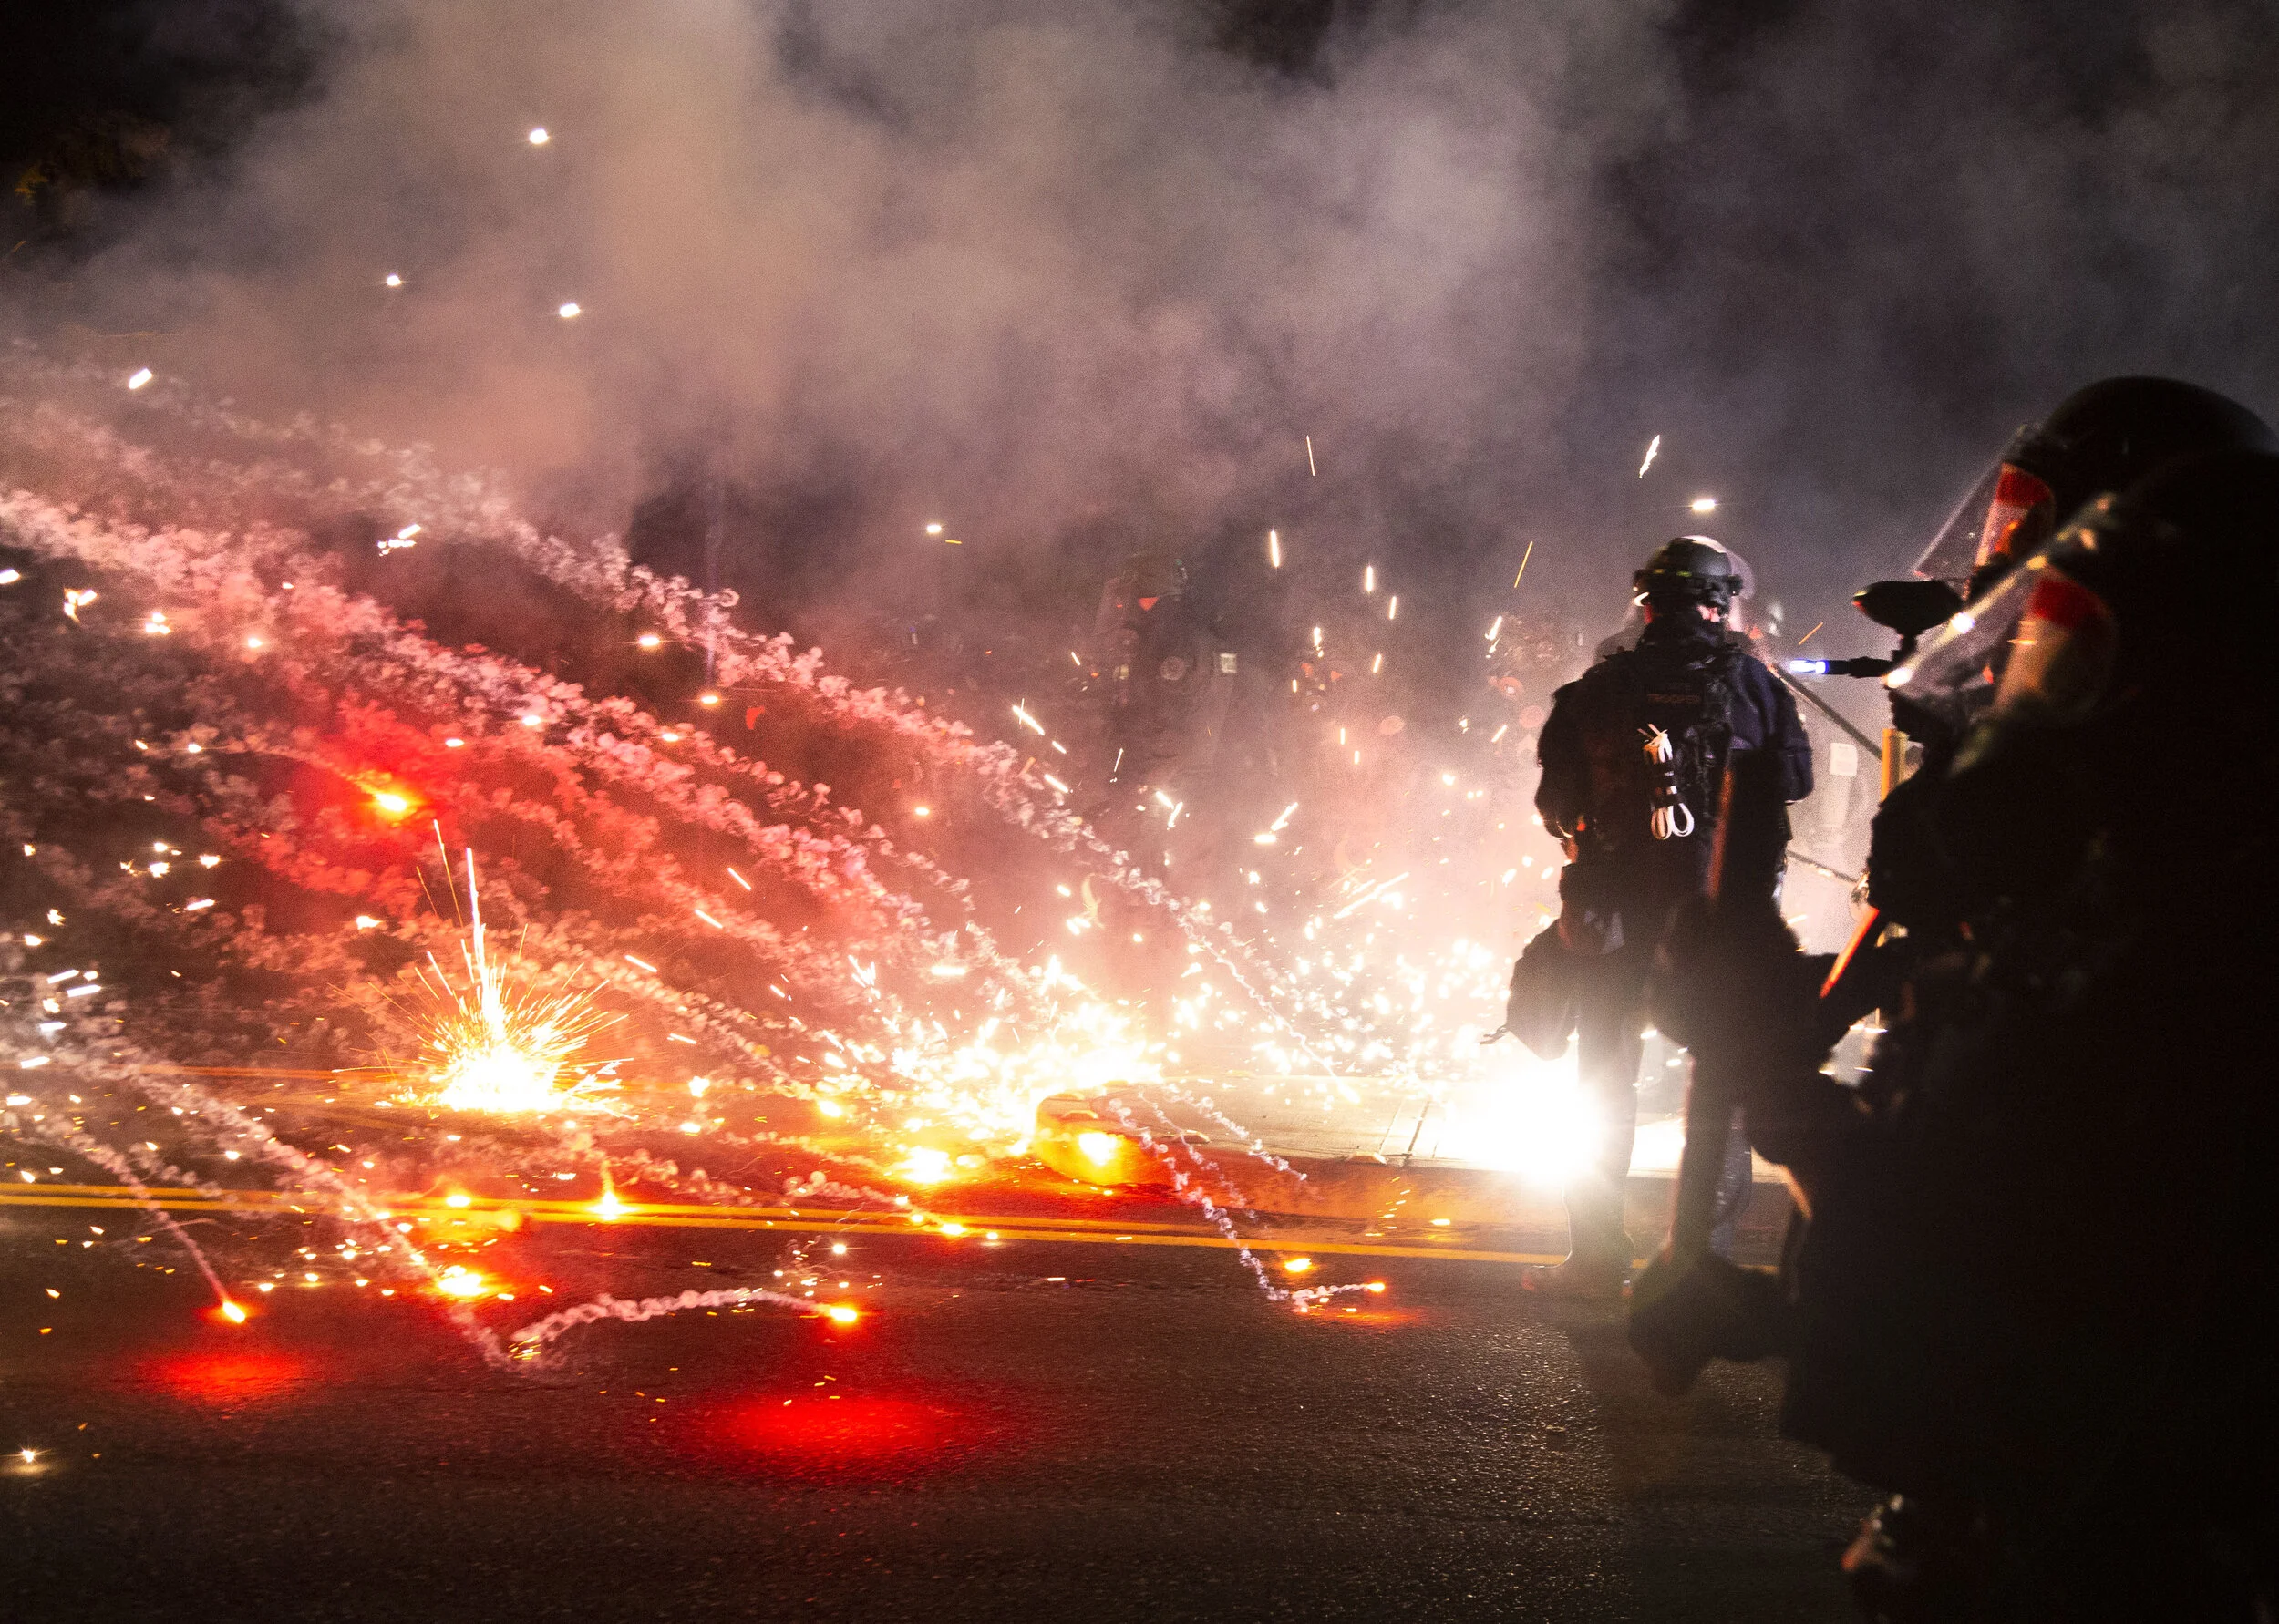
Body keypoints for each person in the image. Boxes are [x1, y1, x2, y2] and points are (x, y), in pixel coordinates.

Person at [1645, 378, 2279, 1617]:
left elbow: (1969, 1281)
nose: (2032, 696)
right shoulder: (2142, 927)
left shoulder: (2174, 971)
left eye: (2070, 652)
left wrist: (1770, 1066)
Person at [1526, 536, 1811, 1296]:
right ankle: (1699, 1263)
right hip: (1717, 928)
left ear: (1647, 604)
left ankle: (1594, 1261)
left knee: (1603, 1085)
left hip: (1612, 922)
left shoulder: (1599, 687)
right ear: (1722, 605)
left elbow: (1555, 805)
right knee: (1714, 1080)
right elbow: (1794, 782)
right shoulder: (1757, 686)